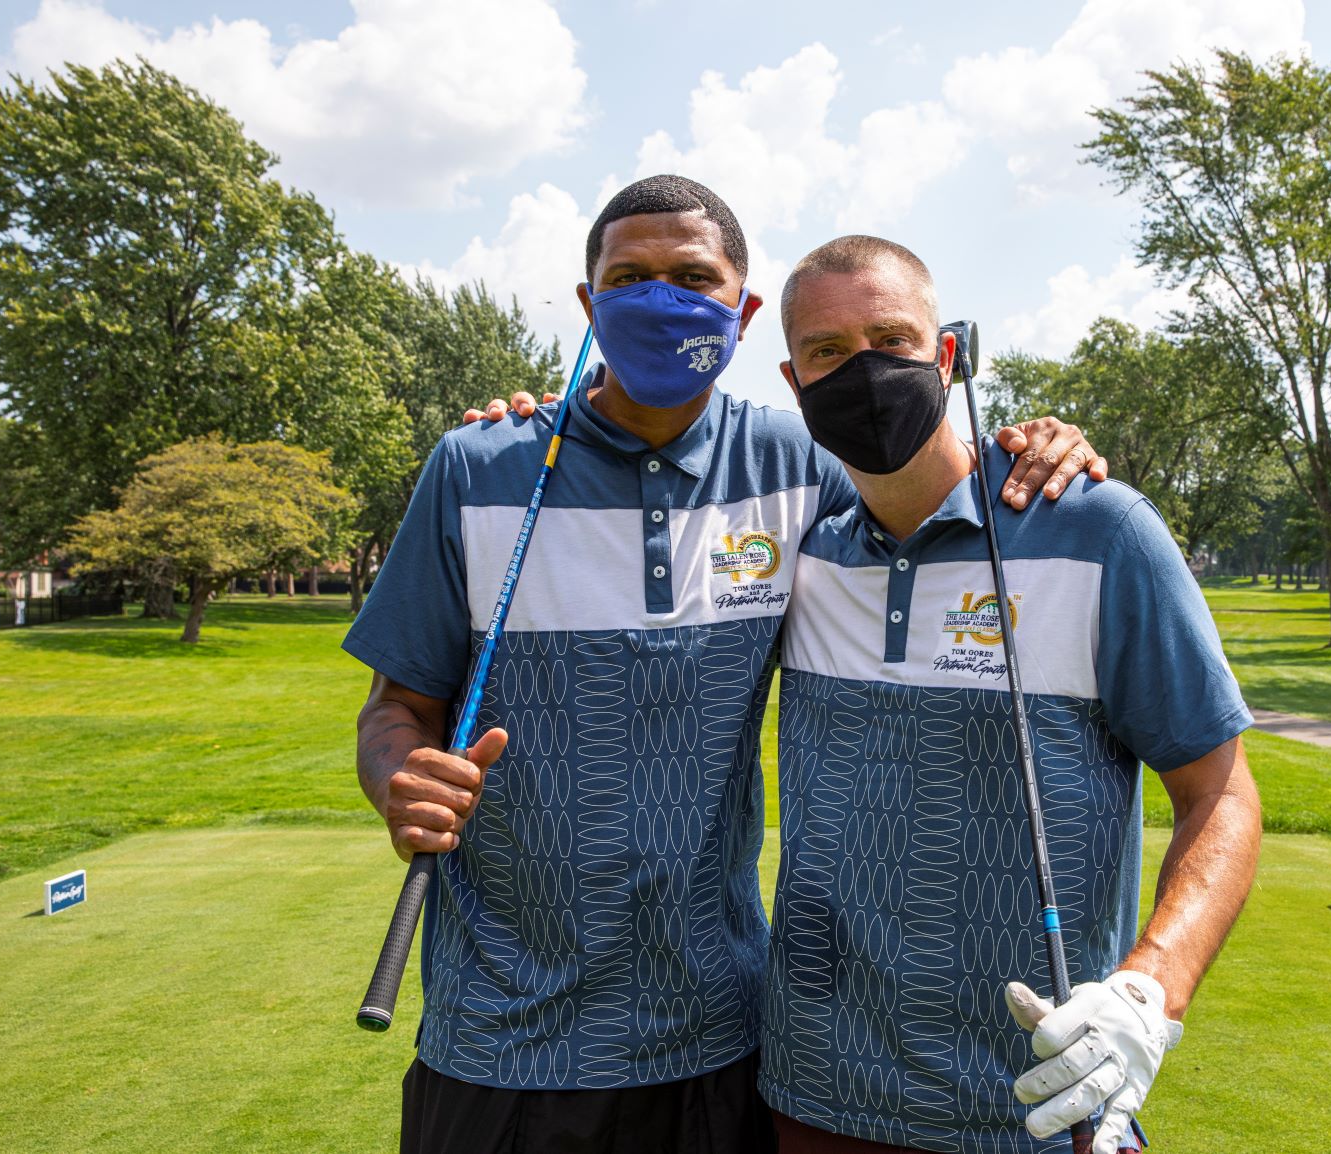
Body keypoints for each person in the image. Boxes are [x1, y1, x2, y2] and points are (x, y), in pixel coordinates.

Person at [349, 175, 1106, 1154]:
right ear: (588, 306)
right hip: (499, 1043)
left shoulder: (801, 465)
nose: (659, 296)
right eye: (628, 276)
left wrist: (1037, 444)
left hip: (717, 1038)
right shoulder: (476, 465)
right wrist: (397, 780)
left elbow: (927, 473)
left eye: (691, 276)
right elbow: (392, 708)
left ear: (742, 313)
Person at [759, 235, 1262, 1154]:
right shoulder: (806, 552)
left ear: (948, 357)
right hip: (810, 1094)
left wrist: (1150, 988)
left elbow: (1219, 792)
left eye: (891, 339)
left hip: (1040, 1104)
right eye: (828, 352)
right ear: (796, 384)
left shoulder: (1100, 530)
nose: (863, 369)